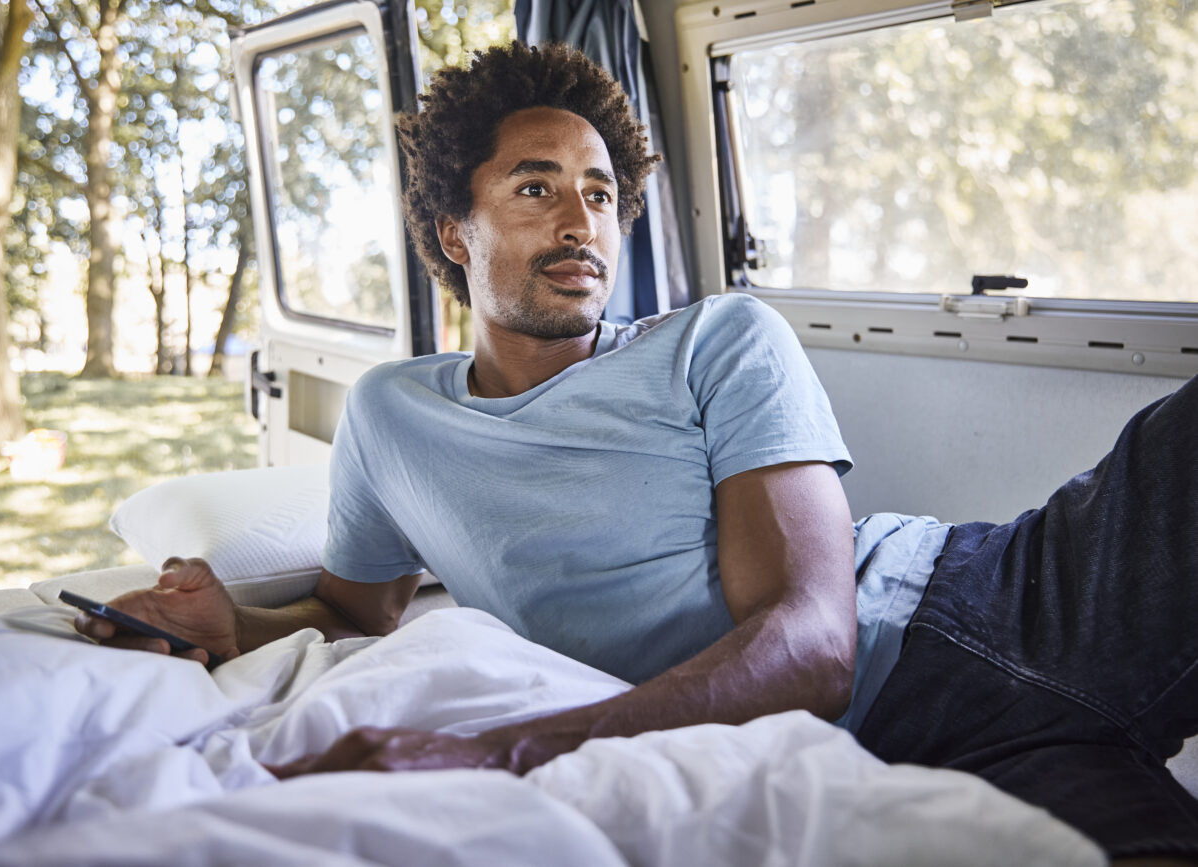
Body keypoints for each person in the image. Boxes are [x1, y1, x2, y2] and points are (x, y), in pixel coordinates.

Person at [78, 41, 1198, 862]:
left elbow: (811, 648)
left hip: (1001, 596)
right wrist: (236, 625)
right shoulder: (389, 417)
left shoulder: (719, 337)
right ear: (450, 234)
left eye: (602, 194)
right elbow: (352, 611)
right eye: (535, 188)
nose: (581, 220)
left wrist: (495, 752)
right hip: (916, 748)